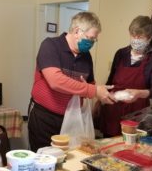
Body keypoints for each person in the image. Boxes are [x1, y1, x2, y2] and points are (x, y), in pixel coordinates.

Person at [28, 11, 115, 152]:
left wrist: (101, 94)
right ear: (76, 31)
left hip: (72, 119)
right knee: (43, 162)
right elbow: (55, 81)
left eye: (94, 40)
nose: (92, 43)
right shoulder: (50, 45)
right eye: (90, 38)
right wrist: (93, 90)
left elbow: (90, 84)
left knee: (68, 161)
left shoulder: (86, 57)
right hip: (45, 118)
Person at [94, 15, 152, 137]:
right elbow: (111, 81)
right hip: (113, 111)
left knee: (131, 146)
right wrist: (101, 99)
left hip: (137, 114)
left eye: (140, 37)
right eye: (133, 35)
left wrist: (139, 93)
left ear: (150, 38)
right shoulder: (121, 54)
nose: (135, 39)